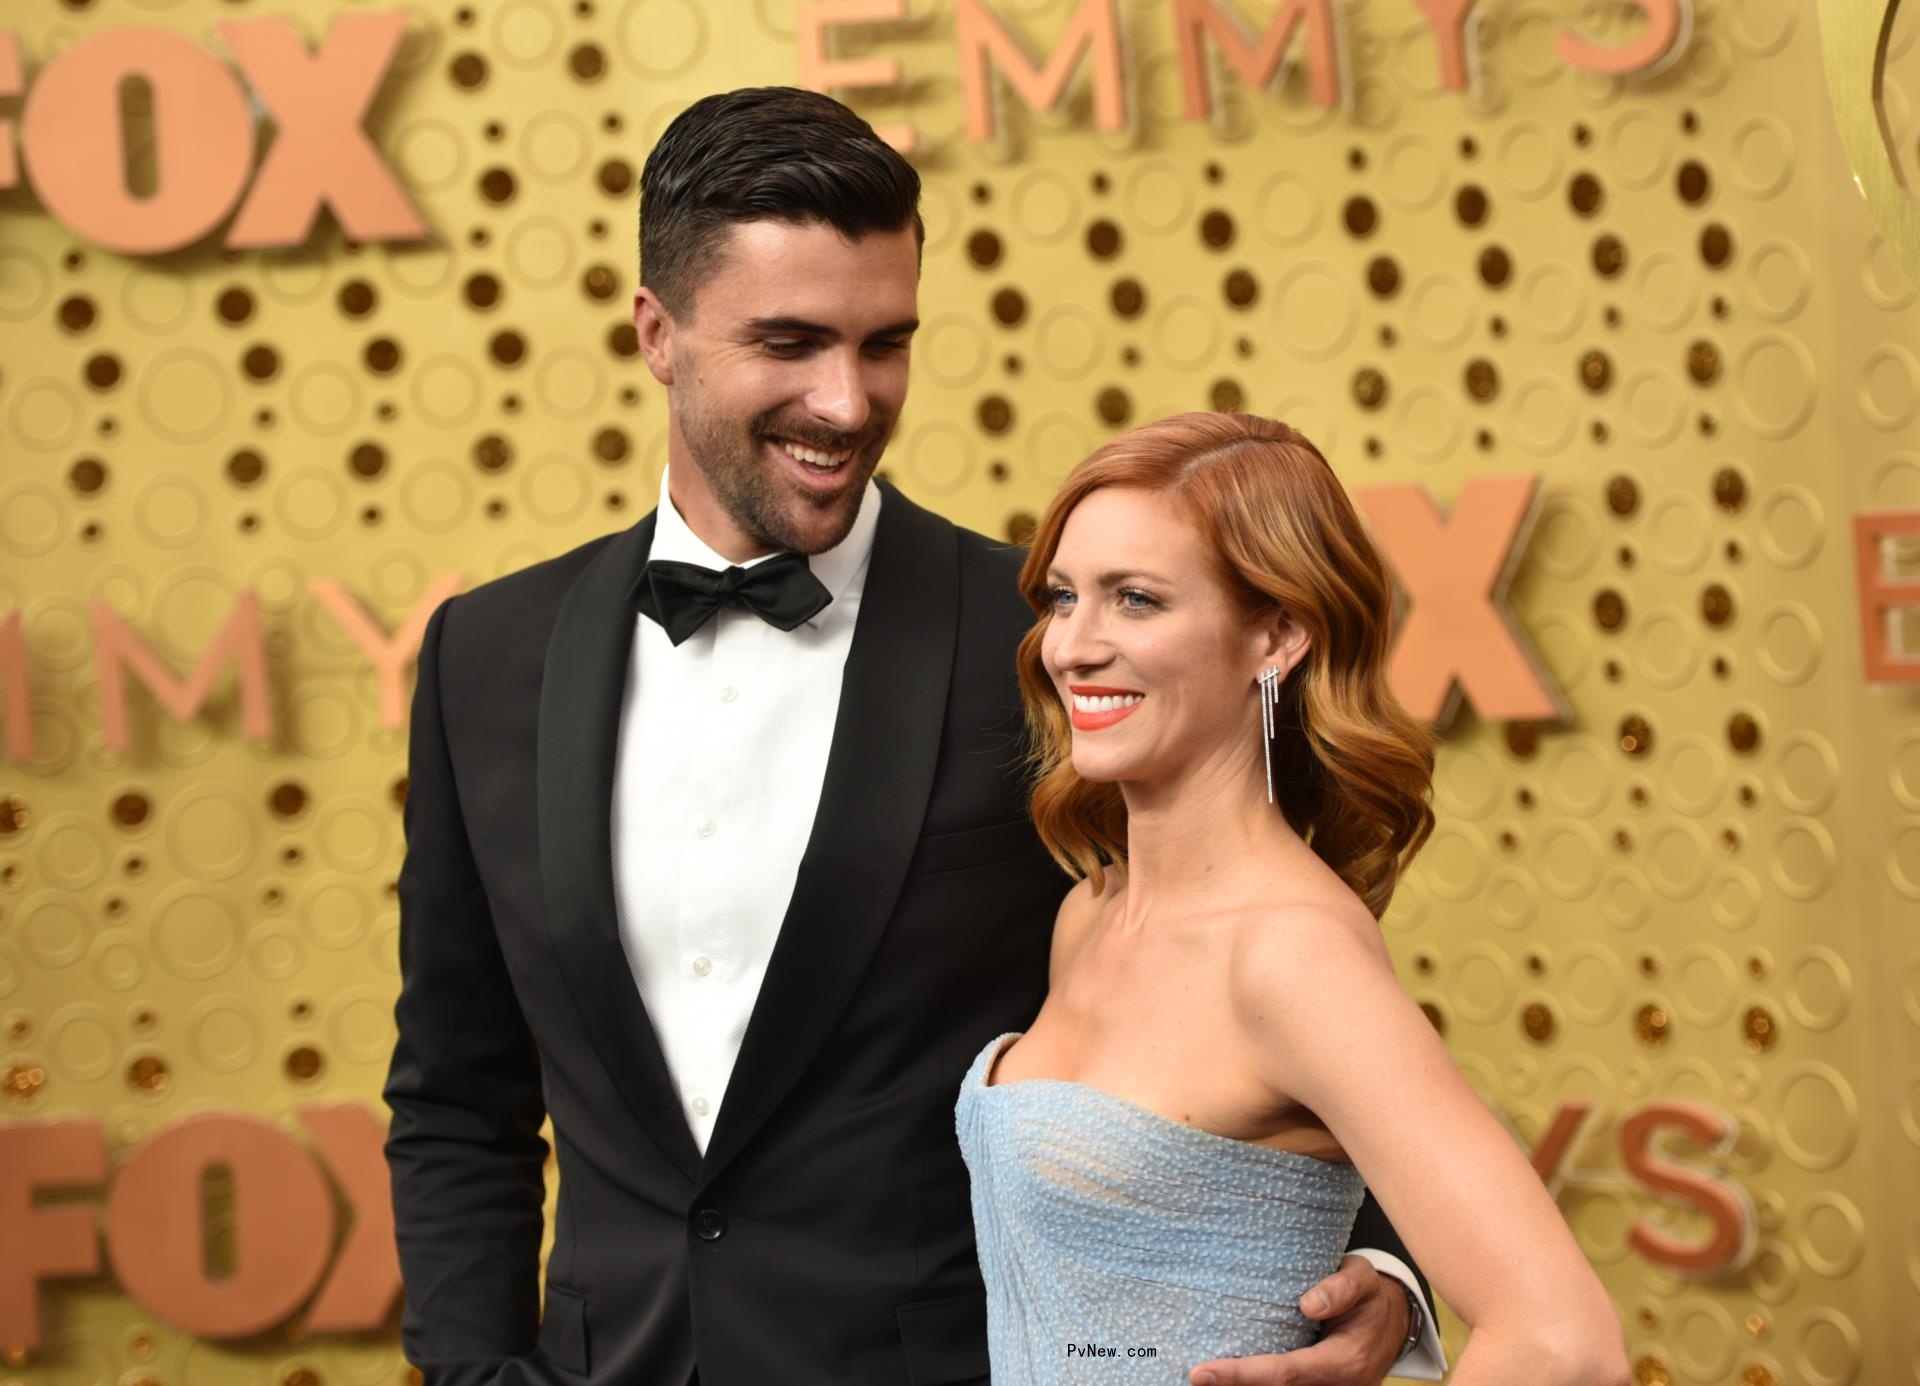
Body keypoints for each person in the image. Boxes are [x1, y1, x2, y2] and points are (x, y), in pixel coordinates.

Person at [384, 88, 1440, 1386]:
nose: (846, 401)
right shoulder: (487, 654)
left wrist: (1378, 1269)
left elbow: (1263, 954)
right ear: (658, 333)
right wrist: (470, 1370)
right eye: (791, 341)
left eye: (885, 343)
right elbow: (455, 1091)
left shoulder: (1051, 646)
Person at [957, 412, 1630, 1386]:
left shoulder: (1289, 952)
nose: (1073, 646)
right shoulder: (1090, 913)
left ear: (1275, 636)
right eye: (1064, 598)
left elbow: (1564, 1340)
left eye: (1136, 600)